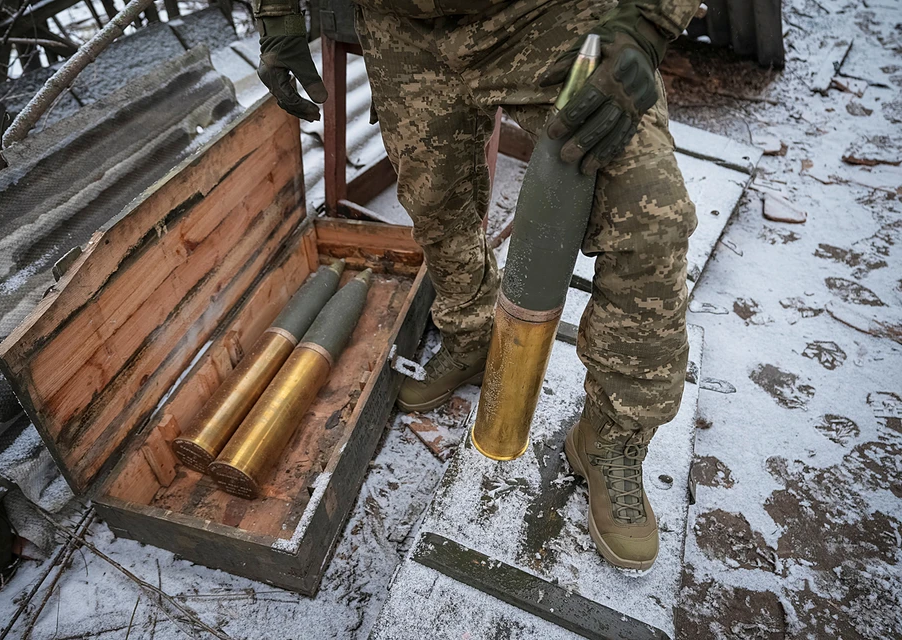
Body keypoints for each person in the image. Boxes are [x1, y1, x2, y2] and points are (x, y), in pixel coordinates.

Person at [254, 0, 698, 571]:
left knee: (649, 222)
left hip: (546, 17)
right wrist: (276, 13)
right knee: (436, 207)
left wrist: (650, 22)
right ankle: (470, 338)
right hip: (400, 25)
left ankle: (610, 439)